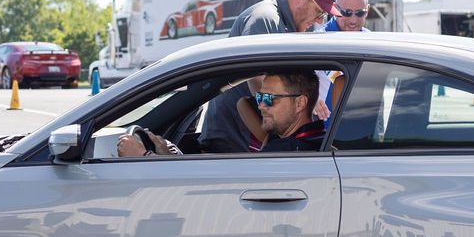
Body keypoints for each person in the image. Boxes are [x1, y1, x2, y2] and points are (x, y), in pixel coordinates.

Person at [198, 0, 339, 154]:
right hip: (234, 141)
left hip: (263, 141)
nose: (320, 20)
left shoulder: (295, 26)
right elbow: (259, 85)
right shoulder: (264, 20)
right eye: (319, 11)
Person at [118, 71, 324, 156]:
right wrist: (168, 156)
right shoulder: (302, 139)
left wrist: (145, 157)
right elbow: (244, 103)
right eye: (260, 97)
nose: (261, 105)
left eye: (269, 98)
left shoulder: (287, 152)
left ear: (300, 103)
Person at [314, 0, 371, 119]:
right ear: (335, 8)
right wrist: (309, 97)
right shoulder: (318, 40)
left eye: (360, 13)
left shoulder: (371, 41)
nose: (353, 20)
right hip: (325, 127)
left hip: (362, 120)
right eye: (346, 13)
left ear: (367, 10)